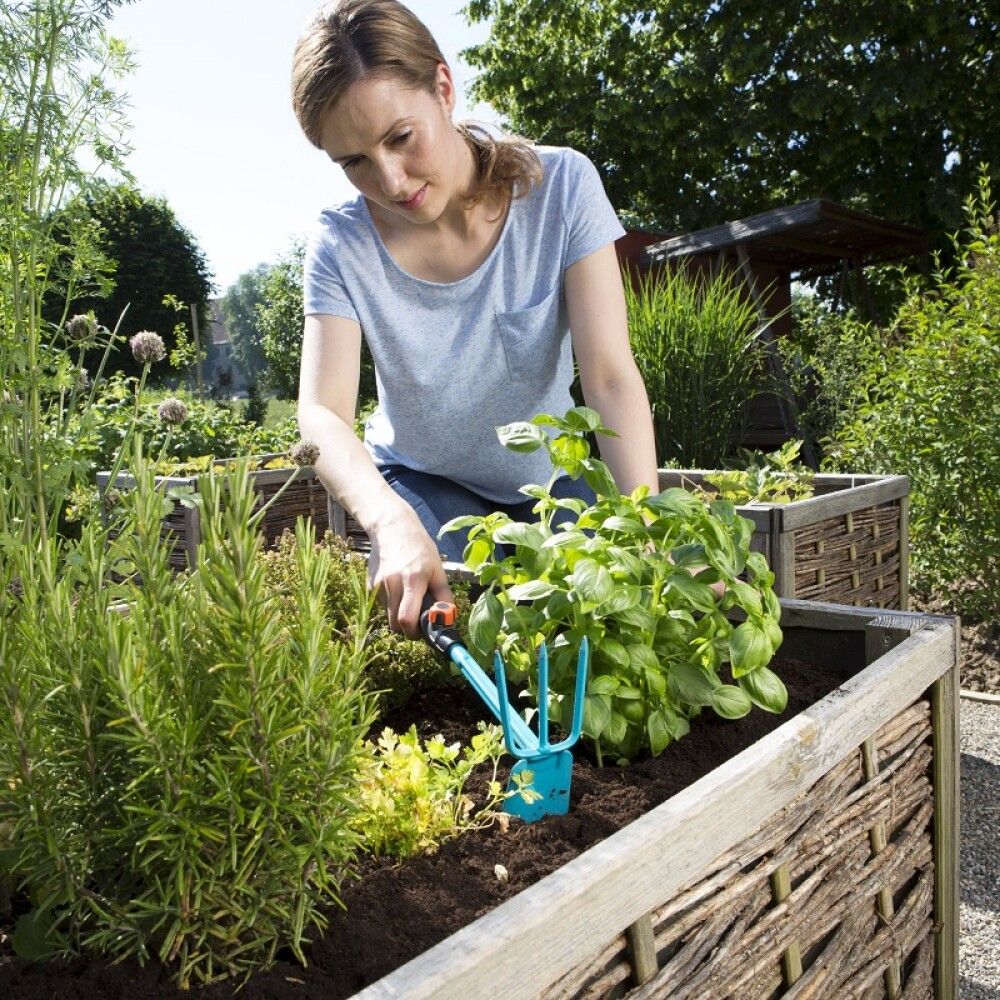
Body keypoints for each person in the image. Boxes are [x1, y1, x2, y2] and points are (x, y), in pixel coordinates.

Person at [292, 0, 658, 638]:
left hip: (551, 484)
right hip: (424, 485)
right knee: (472, 625)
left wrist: (648, 530)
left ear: (442, 87)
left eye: (400, 138)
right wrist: (388, 519)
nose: (390, 179)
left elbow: (608, 378)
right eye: (353, 162)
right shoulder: (340, 245)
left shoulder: (562, 187)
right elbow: (320, 413)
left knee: (608, 618)